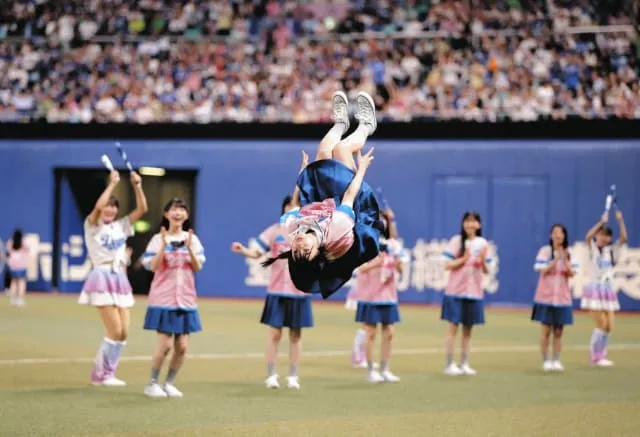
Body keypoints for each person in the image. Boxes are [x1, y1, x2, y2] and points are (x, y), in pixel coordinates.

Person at [262, 91, 381, 300]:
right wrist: (362, 169)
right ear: (317, 253)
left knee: (325, 149)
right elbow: (349, 198)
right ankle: (366, 126)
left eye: (295, 252)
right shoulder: (336, 233)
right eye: (305, 251)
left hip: (321, 198)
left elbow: (294, 205)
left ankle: (342, 123)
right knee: (343, 149)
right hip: (351, 202)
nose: (299, 246)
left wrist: (303, 176)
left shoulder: (291, 229)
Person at [231, 194, 313, 390]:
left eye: (297, 206)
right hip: (277, 291)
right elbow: (257, 252)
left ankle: (293, 376)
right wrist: (243, 249)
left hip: (299, 291)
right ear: (284, 209)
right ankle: (271, 375)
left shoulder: (309, 233)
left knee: (295, 336)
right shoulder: (274, 231)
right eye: (289, 205)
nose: (292, 209)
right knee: (274, 335)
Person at [78, 170, 148, 387]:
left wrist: (137, 185)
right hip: (102, 276)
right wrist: (112, 184)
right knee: (114, 330)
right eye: (108, 205)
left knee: (124, 332)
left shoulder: (120, 226)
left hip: (120, 278)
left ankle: (109, 372)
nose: (110, 209)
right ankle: (100, 374)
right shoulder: (92, 226)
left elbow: (143, 209)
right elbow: (98, 208)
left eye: (114, 206)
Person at [142, 198, 205, 398]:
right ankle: (152, 384)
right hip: (163, 298)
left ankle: (169, 383)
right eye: (173, 209)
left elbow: (197, 267)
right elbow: (152, 266)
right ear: (166, 214)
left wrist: (188, 248)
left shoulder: (192, 239)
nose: (178, 213)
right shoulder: (157, 239)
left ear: (186, 215)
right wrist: (162, 245)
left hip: (186, 299)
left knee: (182, 346)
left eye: (182, 209)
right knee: (165, 344)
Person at [441, 211, 493, 376]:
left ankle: (464, 363)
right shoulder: (456, 241)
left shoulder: (483, 243)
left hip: (474, 292)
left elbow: (487, 271)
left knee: (468, 330)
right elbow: (447, 264)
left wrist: (483, 261)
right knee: (453, 328)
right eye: (467, 221)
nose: (470, 224)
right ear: (463, 224)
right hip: (455, 291)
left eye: (474, 221)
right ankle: (449, 364)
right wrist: (463, 259)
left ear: (479, 225)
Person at [581, 209, 628, 367]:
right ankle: (595, 356)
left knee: (609, 326)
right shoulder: (592, 248)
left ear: (609, 238)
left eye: (605, 235)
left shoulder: (611, 251)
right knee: (601, 324)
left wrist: (620, 220)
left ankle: (602, 355)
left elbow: (623, 238)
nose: (602, 237)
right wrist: (601, 222)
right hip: (595, 289)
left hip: (608, 290)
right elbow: (588, 236)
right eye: (600, 234)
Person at [531, 224, 578, 372]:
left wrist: (566, 261)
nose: (558, 235)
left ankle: (556, 360)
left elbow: (572, 273)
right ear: (551, 235)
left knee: (559, 331)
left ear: (564, 236)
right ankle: (546, 360)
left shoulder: (569, 253)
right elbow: (542, 269)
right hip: (546, 297)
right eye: (555, 233)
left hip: (562, 298)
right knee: (546, 331)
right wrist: (557, 259)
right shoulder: (545, 251)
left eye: (561, 233)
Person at [6, 229, 30, 307]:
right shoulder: (23, 242)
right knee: (21, 282)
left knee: (13, 282)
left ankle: (13, 299)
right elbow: (27, 249)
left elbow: (8, 254)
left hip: (13, 266)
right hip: (21, 266)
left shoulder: (10, 242)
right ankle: (20, 299)